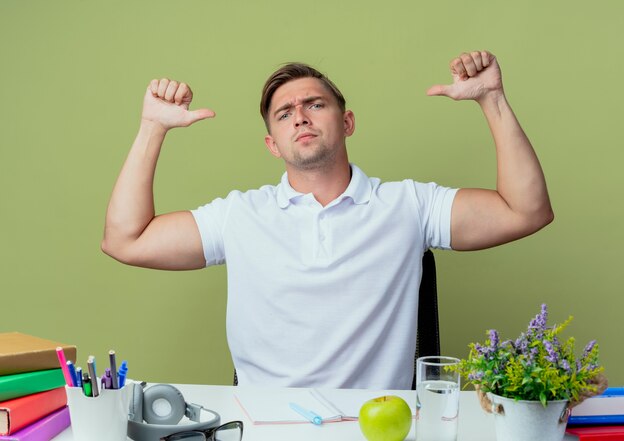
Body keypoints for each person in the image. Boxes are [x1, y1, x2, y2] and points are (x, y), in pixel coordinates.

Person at [102, 51, 553, 389]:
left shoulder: (409, 206)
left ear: (348, 122)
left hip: (377, 431)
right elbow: (126, 239)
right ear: (272, 145)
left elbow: (526, 211)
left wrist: (491, 99)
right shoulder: (239, 216)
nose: (299, 115)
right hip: (263, 429)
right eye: (284, 113)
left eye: (315, 104)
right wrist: (152, 128)